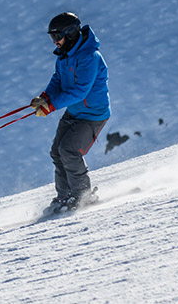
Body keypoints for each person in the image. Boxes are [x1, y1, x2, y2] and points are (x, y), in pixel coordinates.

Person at [30, 12, 110, 214]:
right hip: (75, 112)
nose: (55, 42)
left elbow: (80, 90)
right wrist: (45, 98)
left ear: (71, 34)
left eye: (57, 37)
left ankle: (83, 196)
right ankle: (64, 196)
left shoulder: (89, 57)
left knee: (69, 151)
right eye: (52, 38)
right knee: (57, 151)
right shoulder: (65, 56)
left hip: (92, 114)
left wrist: (52, 106)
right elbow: (58, 79)